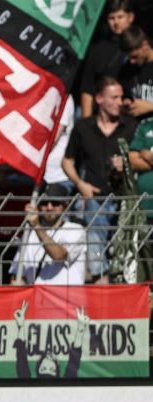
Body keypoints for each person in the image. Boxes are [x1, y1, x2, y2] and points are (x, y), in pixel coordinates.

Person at [62, 77, 137, 283]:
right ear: (99, 99)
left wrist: (128, 163)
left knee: (124, 248)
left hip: (126, 199)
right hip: (95, 195)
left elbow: (142, 157)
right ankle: (99, 279)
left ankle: (120, 281)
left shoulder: (130, 126)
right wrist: (80, 184)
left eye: (121, 97)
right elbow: (67, 161)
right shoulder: (83, 127)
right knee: (95, 240)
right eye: (114, 97)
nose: (120, 102)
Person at [10, 198, 87, 286]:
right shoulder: (29, 234)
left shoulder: (76, 230)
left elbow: (59, 255)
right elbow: (18, 275)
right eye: (44, 203)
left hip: (64, 298)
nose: (49, 207)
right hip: (36, 298)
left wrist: (36, 225)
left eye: (55, 203)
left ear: (65, 206)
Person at [79, 0, 135, 118]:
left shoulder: (141, 45)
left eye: (120, 17)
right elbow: (87, 88)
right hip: (101, 115)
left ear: (130, 17)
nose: (116, 22)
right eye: (111, 18)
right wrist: (87, 124)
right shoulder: (98, 49)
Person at [118, 25, 153, 120]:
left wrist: (150, 107)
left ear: (145, 45)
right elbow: (125, 95)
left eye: (135, 56)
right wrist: (126, 103)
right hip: (138, 130)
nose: (132, 61)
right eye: (129, 57)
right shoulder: (126, 70)